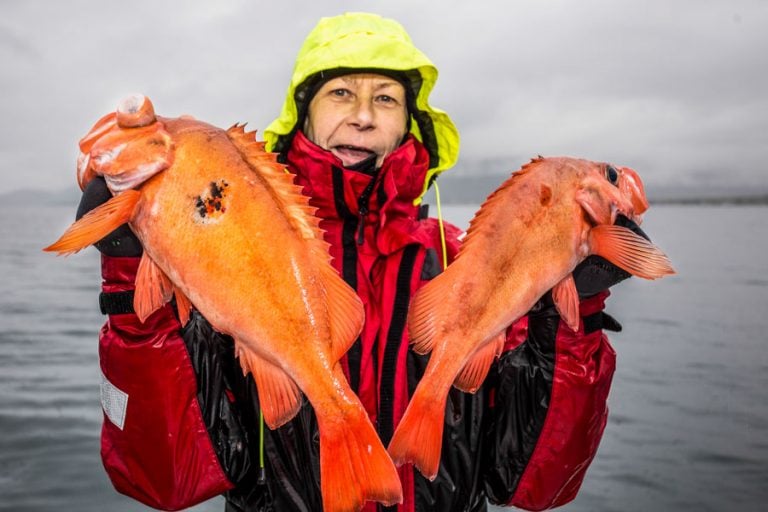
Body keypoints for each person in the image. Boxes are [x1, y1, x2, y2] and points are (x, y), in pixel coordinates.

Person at [81, 12, 643, 512]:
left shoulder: (461, 259)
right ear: (302, 114)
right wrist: (131, 270)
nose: (364, 118)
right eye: (341, 94)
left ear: (411, 124)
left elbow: (537, 486)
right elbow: (165, 481)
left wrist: (577, 317)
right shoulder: (219, 247)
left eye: (386, 99)